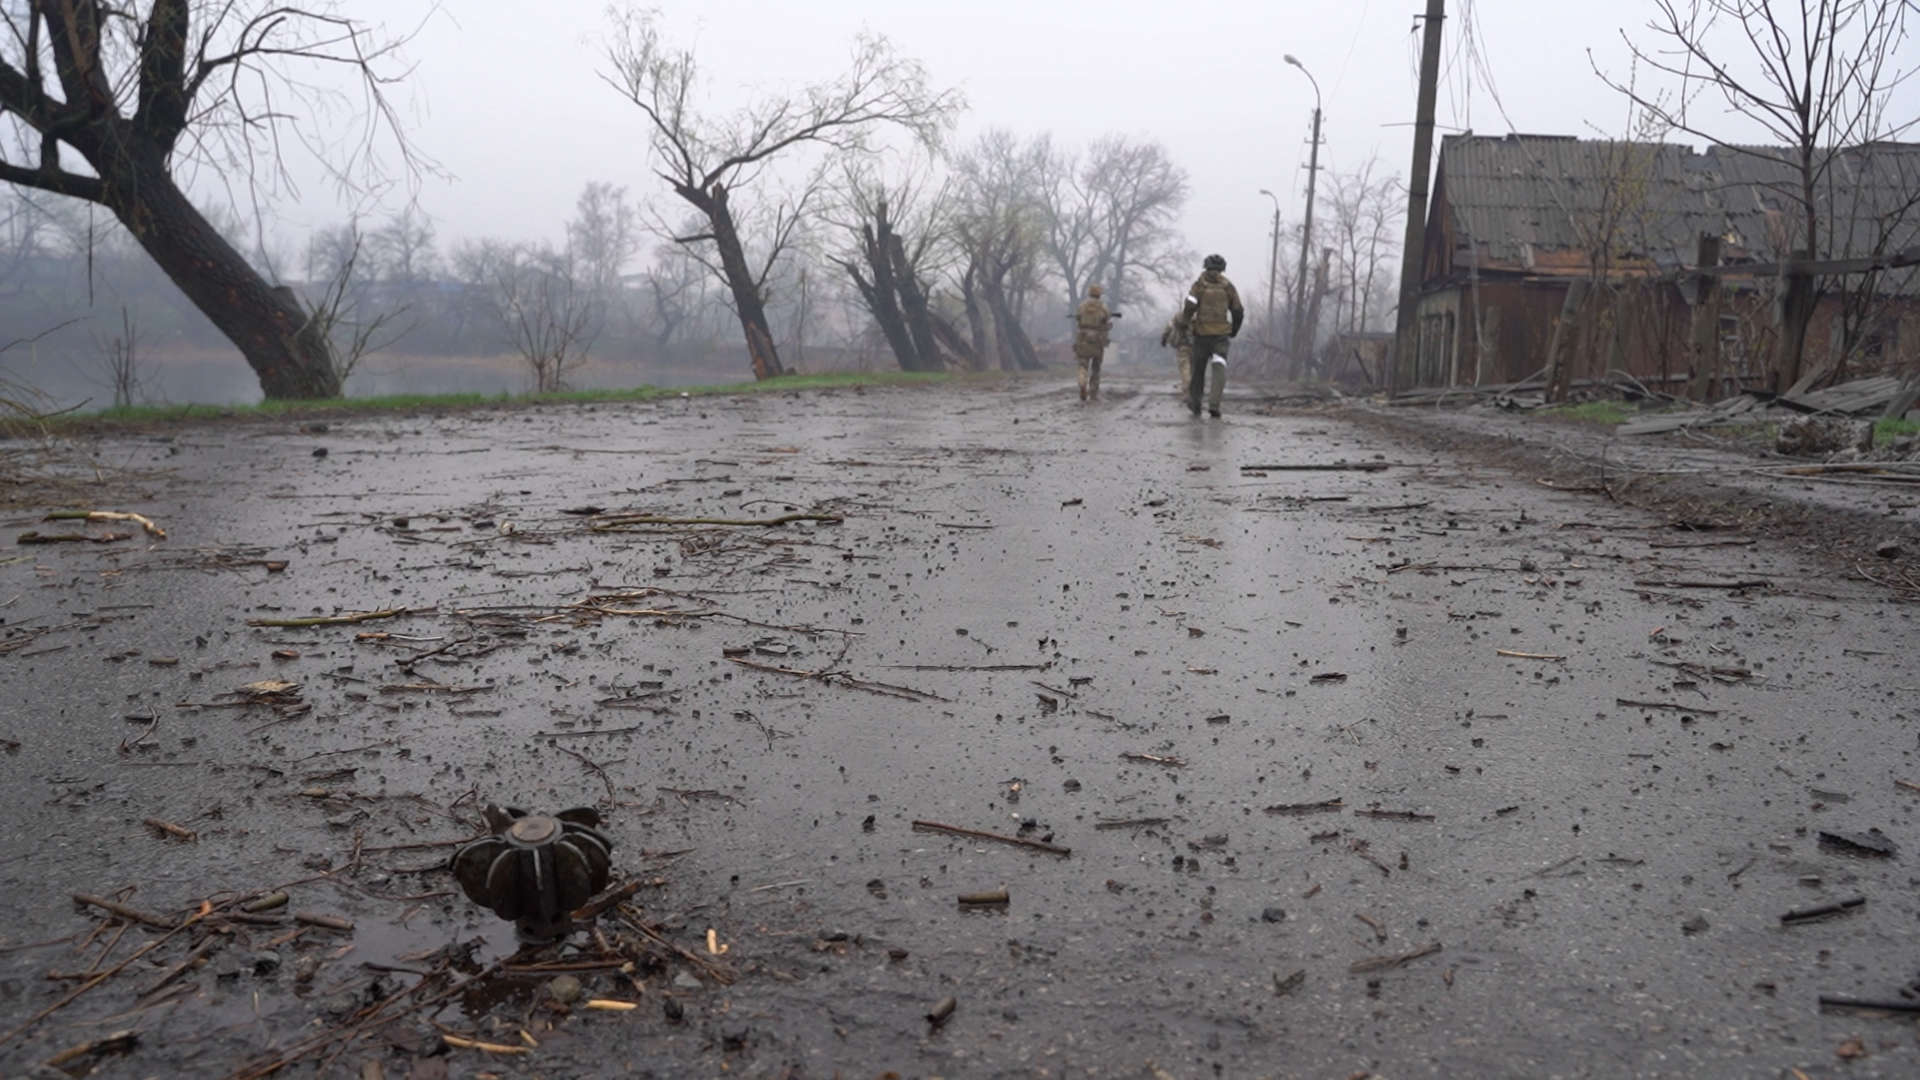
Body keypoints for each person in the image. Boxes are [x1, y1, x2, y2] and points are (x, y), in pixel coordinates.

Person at [1178, 254, 1244, 417]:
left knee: (1198, 371)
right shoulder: (1228, 287)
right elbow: (1238, 310)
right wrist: (1234, 330)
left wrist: (1184, 323)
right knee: (1219, 367)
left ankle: (1196, 403)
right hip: (1221, 336)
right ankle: (1214, 404)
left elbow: (1189, 306)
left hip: (1201, 335)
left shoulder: (1198, 286)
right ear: (1222, 269)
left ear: (1205, 268)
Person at [1073, 284, 1113, 402]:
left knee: (1082, 364)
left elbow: (1078, 318)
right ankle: (1093, 393)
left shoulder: (1082, 305)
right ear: (1099, 294)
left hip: (1083, 338)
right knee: (1096, 367)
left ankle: (1082, 382)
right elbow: (1107, 318)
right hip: (1097, 340)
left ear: (1089, 293)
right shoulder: (1103, 306)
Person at [1160, 311, 1191, 396]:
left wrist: (1164, 340)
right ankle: (1196, 391)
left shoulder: (1177, 317)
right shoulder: (1197, 316)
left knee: (1185, 369)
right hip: (1197, 347)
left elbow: (1168, 327)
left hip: (1182, 347)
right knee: (1195, 369)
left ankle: (1187, 391)